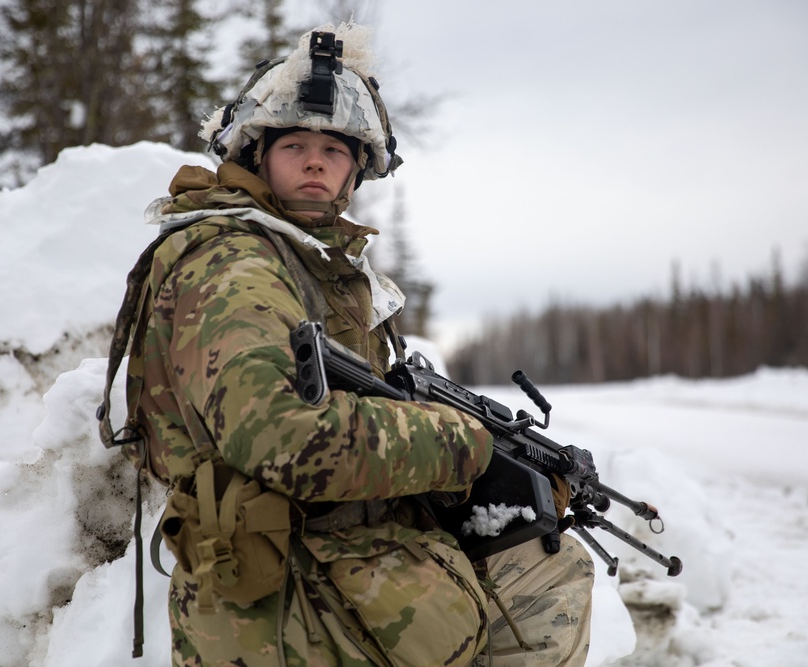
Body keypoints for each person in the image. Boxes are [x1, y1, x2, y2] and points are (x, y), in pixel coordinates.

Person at [104, 21, 593, 667]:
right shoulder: (236, 262)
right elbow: (276, 432)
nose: (315, 160)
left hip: (319, 569)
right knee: (548, 576)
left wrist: (501, 469)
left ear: (355, 171)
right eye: (296, 144)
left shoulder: (307, 261)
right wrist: (457, 445)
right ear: (256, 154)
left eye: (334, 149)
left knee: (533, 545)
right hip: (278, 600)